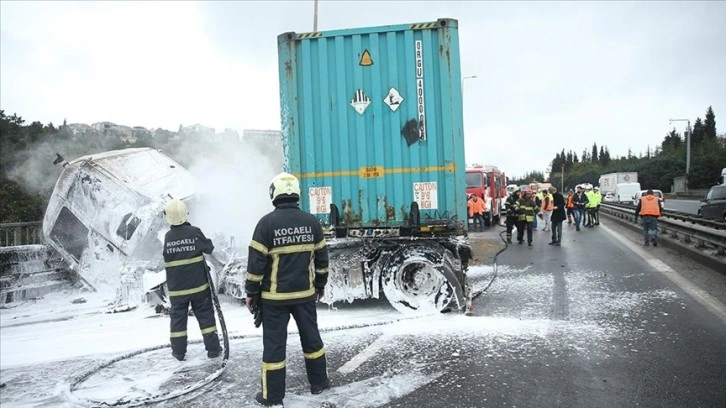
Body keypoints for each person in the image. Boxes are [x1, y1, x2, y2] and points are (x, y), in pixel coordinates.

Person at [245, 172, 330, 406]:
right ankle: (319, 383)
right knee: (312, 339)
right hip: (304, 295)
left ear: (275, 193)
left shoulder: (266, 224)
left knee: (274, 347)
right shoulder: (312, 222)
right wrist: (320, 285)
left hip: (274, 299)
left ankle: (272, 396)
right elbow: (322, 259)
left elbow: (256, 265)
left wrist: (251, 293)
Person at [162, 199, 222, 361]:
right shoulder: (195, 232)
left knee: (178, 322)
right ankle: (213, 350)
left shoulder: (167, 237)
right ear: (185, 214)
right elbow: (209, 248)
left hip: (177, 290)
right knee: (206, 317)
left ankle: (179, 352)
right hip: (198, 288)